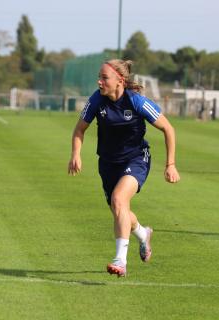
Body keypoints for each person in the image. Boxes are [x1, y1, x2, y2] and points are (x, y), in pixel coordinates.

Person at [68, 59, 180, 277]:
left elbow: (168, 128)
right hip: (108, 163)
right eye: (98, 78)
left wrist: (171, 164)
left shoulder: (136, 101)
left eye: (104, 78)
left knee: (119, 200)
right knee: (120, 211)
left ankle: (120, 261)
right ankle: (143, 234)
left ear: (120, 80)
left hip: (136, 159)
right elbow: (80, 129)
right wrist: (75, 154)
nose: (99, 82)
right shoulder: (96, 100)